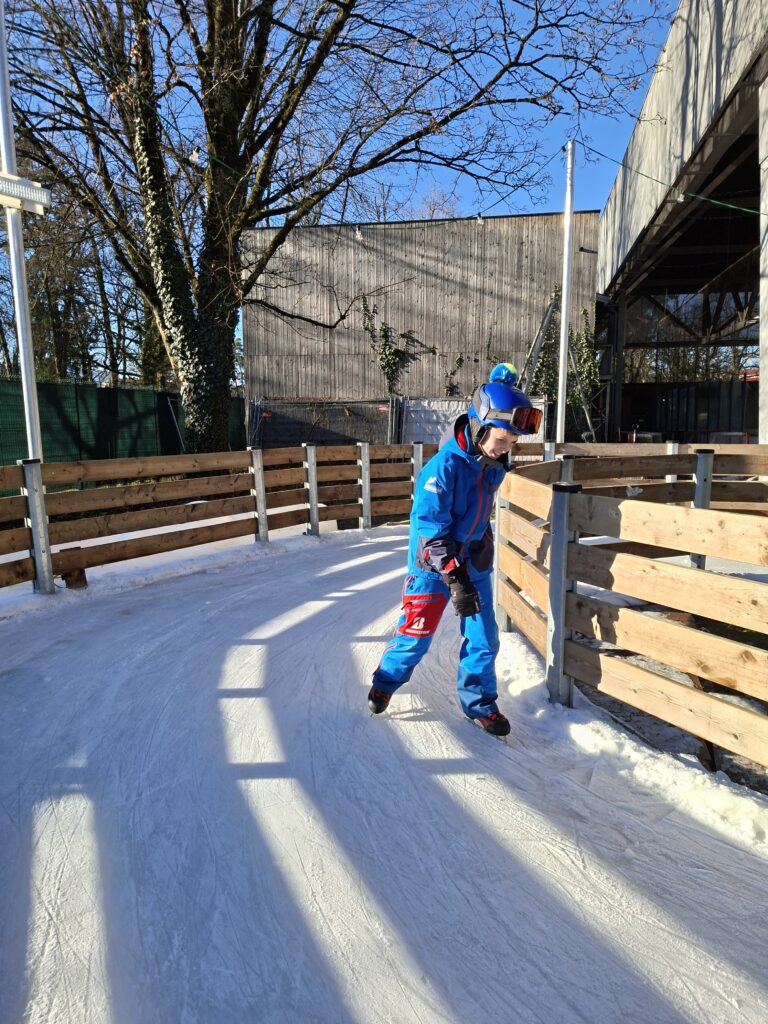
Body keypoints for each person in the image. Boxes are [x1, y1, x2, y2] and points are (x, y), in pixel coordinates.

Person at [367, 375, 542, 735]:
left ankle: (480, 704)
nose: (505, 448)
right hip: (432, 566)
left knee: (484, 639)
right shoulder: (442, 468)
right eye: (501, 440)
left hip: (473, 560)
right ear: (479, 428)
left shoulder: (492, 462)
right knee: (416, 637)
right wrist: (455, 576)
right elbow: (431, 529)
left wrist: (479, 545)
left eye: (512, 442)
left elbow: (478, 511)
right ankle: (385, 681)